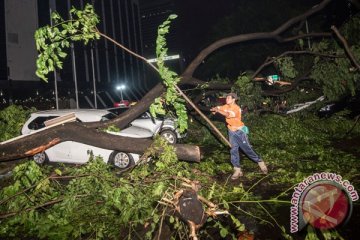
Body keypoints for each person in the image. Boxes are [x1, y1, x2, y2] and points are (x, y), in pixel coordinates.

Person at [210, 93, 268, 180]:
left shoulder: (236, 108)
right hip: (231, 131)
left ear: (234, 99)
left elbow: (227, 115)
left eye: (229, 98)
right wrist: (215, 109)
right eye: (227, 98)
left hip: (240, 132)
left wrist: (218, 111)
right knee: (233, 149)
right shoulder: (226, 106)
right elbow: (220, 108)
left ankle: (260, 162)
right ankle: (237, 169)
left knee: (247, 149)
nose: (227, 99)